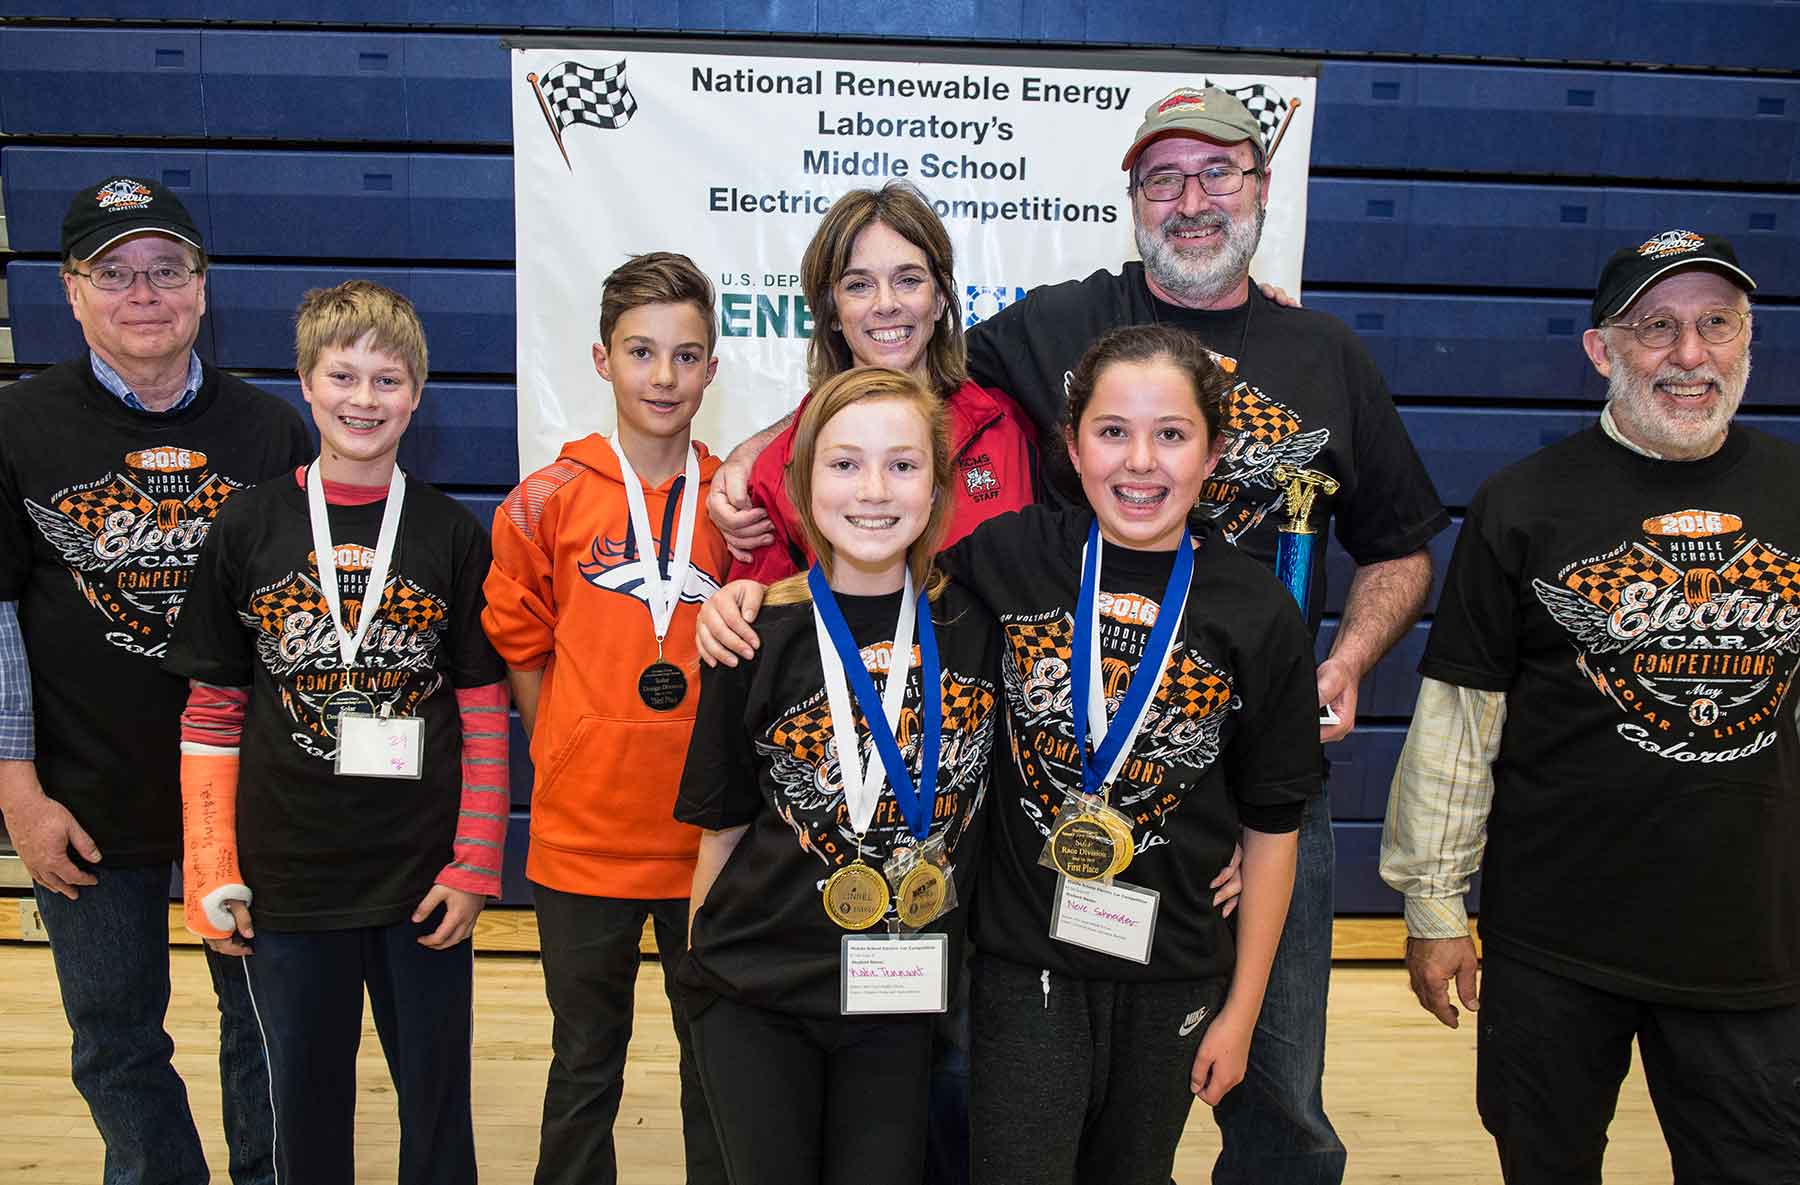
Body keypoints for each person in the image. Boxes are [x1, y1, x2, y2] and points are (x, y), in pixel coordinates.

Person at [710, 88, 1448, 1184]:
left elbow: (1401, 547)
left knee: (1277, 1080)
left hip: (1251, 759)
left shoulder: (1323, 351)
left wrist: (1338, 666)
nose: (1193, 201)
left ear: (1260, 188)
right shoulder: (1055, 326)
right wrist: (752, 471)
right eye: (1165, 179)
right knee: (1006, 1089)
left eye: (1219, 175)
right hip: (1044, 792)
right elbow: (891, 374)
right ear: (1134, 198)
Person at [700, 324, 1324, 1184]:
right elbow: (873, 574)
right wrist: (748, 593)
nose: (1140, 461)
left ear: (1214, 452)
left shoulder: (1259, 615)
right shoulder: (1014, 555)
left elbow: (1275, 817)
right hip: (1022, 959)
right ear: (1070, 446)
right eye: (1112, 432)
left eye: (1172, 434)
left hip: (1171, 962)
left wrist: (1243, 1007)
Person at [1381, 230, 1800, 1182]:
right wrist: (1435, 904)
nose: (1690, 356)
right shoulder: (1523, 501)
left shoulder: (1796, 493)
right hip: (1554, 944)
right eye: (1658, 327)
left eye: (1715, 324)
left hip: (1752, 947)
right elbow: (1461, 719)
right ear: (1601, 349)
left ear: (1748, 341)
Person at [164, 280, 509, 1185]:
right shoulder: (248, 523)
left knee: (438, 1110)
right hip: (289, 878)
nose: (365, 398)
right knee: (305, 1117)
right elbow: (212, 713)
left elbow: (482, 718)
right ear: (305, 385)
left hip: (420, 876)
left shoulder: (449, 531)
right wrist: (209, 864)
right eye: (343, 375)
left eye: (387, 379)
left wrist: (474, 864)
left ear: (418, 395)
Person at [0, 175, 305, 1185]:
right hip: (85, 792)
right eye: (115, 272)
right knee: (114, 1037)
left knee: (263, 1023)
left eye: (167, 269)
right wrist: (17, 792)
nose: (145, 294)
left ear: (203, 289)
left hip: (249, 794)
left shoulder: (272, 435)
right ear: (71, 291)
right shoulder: (17, 428)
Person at [676, 365, 1003, 1185]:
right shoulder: (755, 631)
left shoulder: (978, 629)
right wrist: (698, 981)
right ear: (802, 483)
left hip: (897, 998)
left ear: (937, 485)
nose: (873, 489)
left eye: (902, 464)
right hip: (757, 994)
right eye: (845, 462)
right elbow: (719, 833)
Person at [481, 252, 728, 1185]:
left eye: (685, 355)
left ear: (713, 368)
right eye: (641, 352)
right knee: (586, 1062)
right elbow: (520, 639)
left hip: (708, 841)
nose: (663, 377)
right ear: (600, 359)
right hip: (583, 838)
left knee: (715, 1062)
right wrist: (569, 742)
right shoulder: (548, 498)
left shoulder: (735, 504)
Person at [730, 182, 1036, 583]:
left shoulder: (1008, 428)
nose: (887, 304)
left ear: (941, 298)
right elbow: (757, 622)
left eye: (908, 280)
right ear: (833, 312)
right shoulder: (778, 467)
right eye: (859, 285)